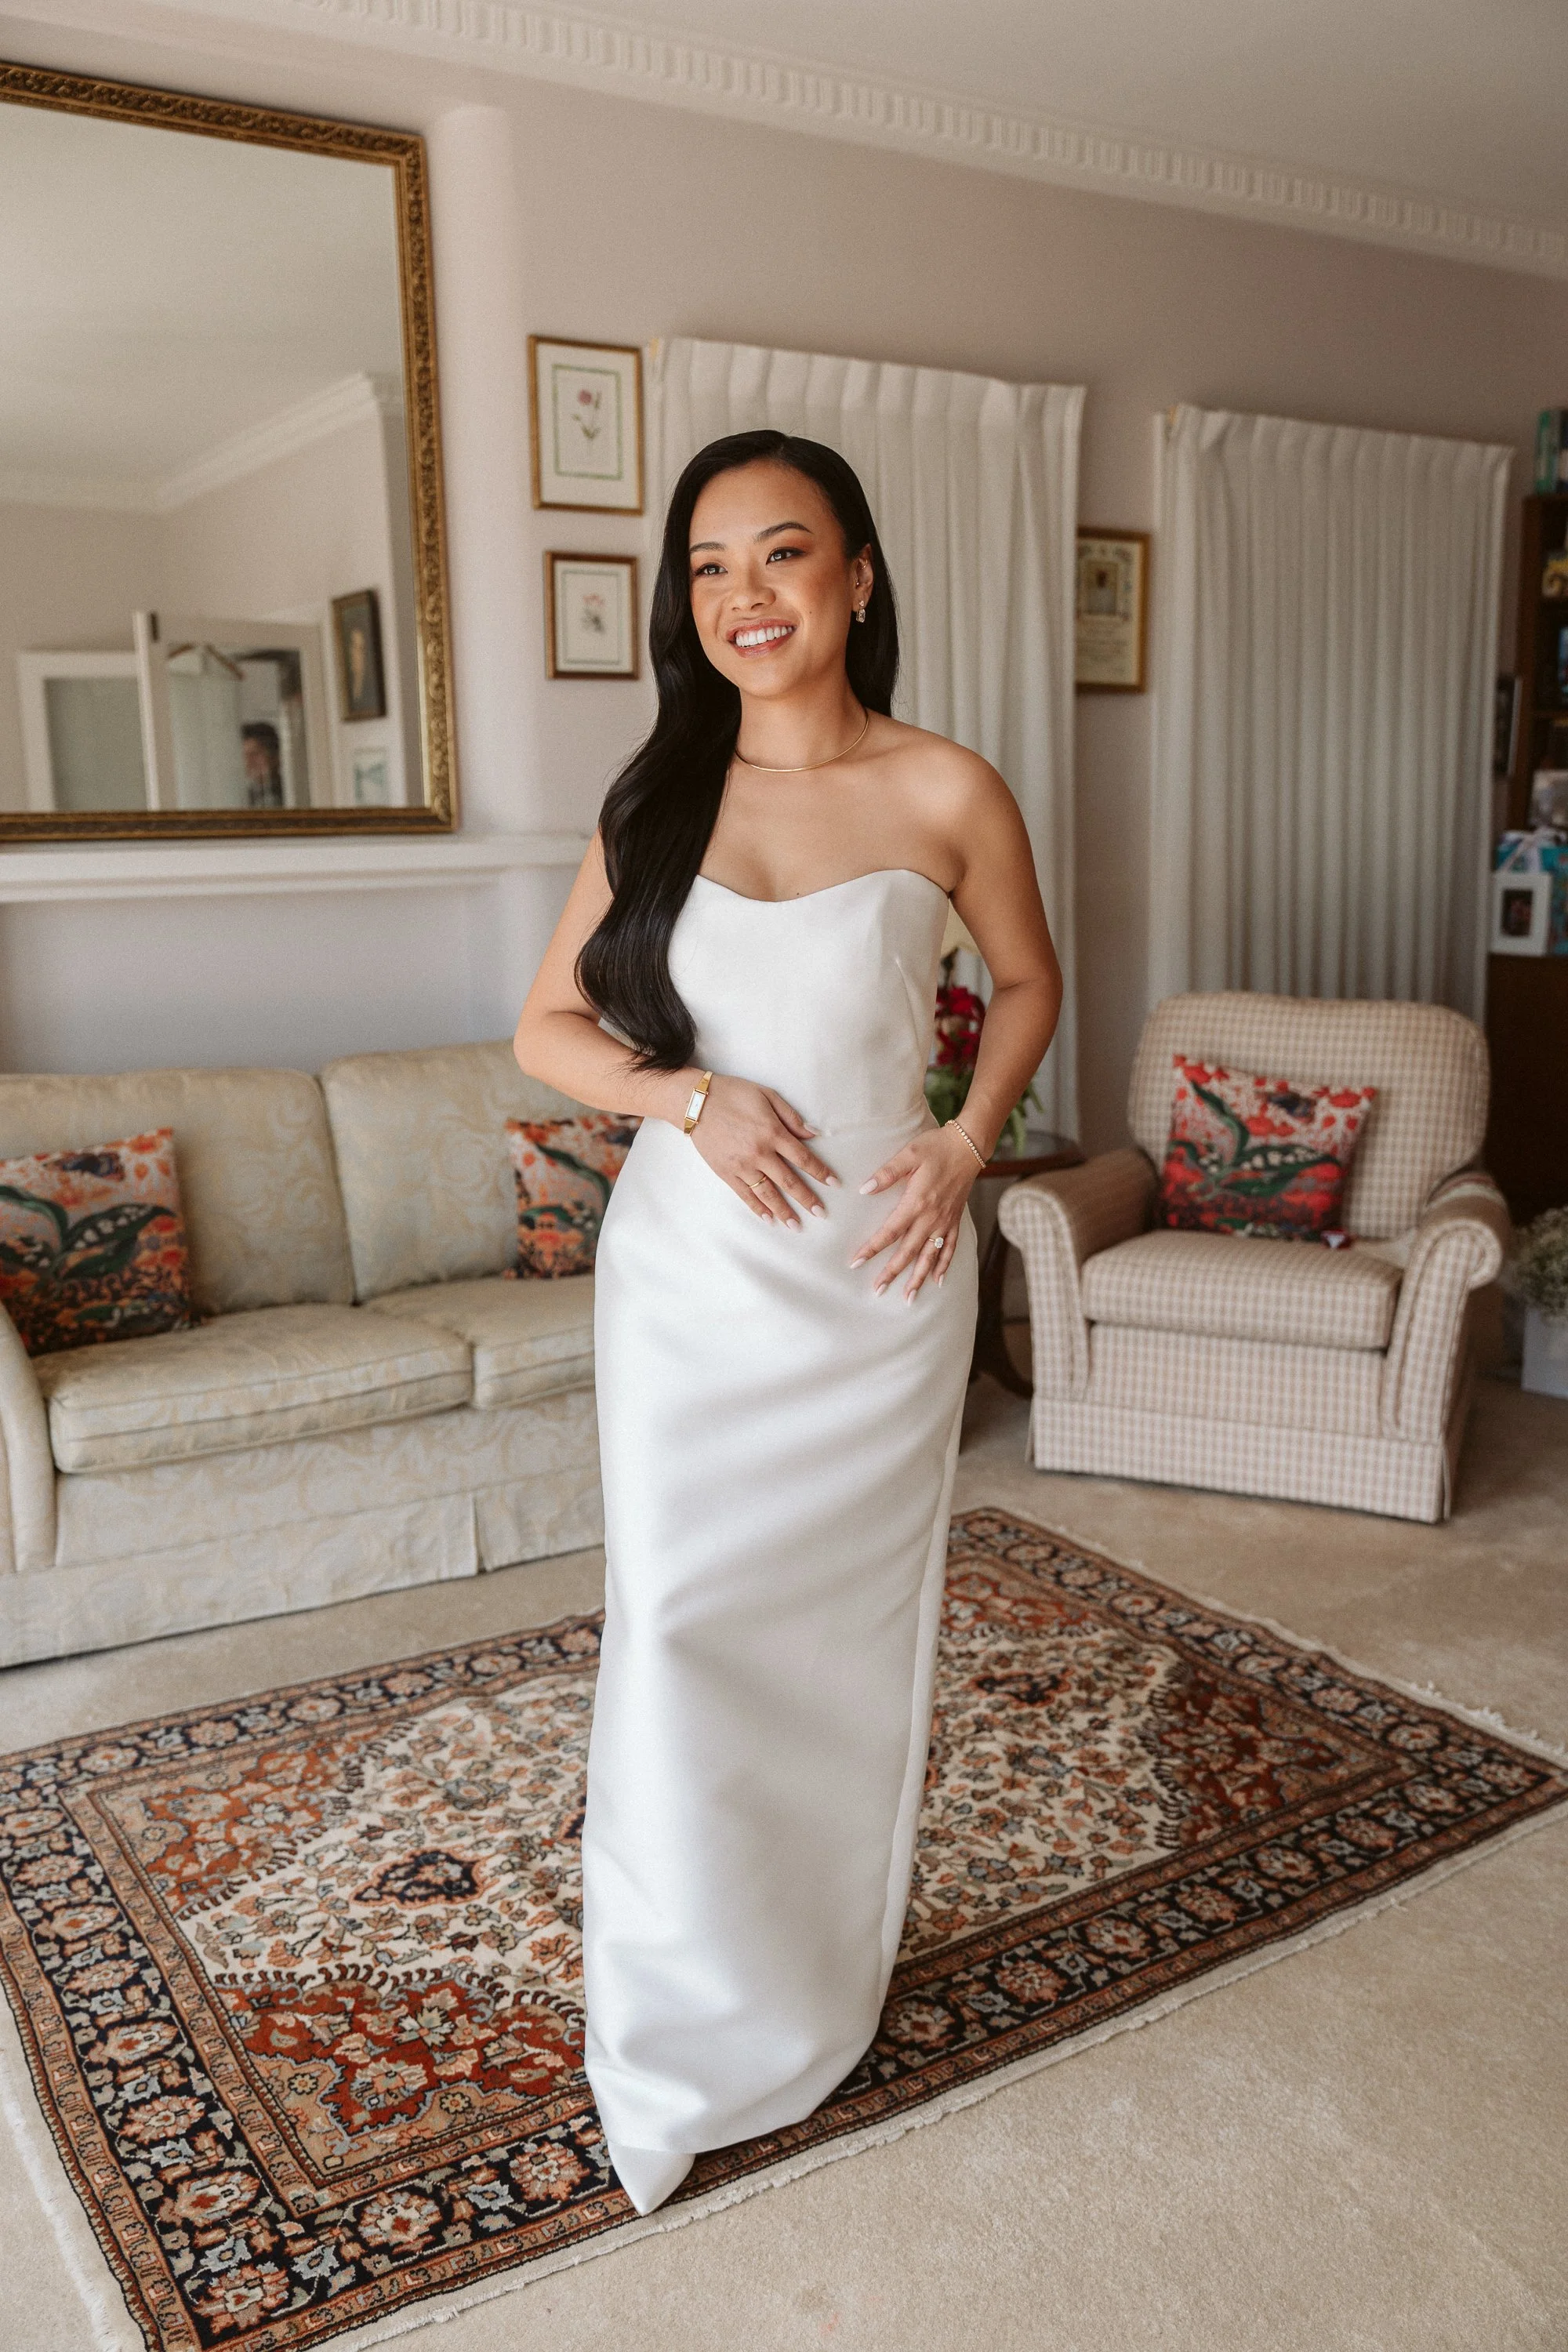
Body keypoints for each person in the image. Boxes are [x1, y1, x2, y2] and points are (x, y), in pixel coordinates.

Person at [514, 430, 1062, 2215]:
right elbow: (544, 1032)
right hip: (692, 1286)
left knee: (839, 1644)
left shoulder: (947, 791)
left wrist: (970, 1143)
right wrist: (686, 1100)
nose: (744, 597)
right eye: (707, 569)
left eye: (783, 555)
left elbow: (1031, 980)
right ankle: (670, 2029)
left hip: (877, 1288)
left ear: (858, 577)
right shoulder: (656, 798)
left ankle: (810, 1985)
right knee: (676, 1630)